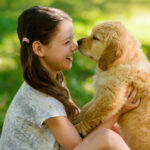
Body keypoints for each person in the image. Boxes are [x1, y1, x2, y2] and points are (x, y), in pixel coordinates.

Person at [0, 5, 140, 150]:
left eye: (72, 39)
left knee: (113, 130)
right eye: (67, 42)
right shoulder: (43, 100)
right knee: (106, 136)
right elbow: (79, 145)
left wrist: (116, 113)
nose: (74, 46)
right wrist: (117, 112)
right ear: (39, 49)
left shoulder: (53, 80)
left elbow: (83, 135)